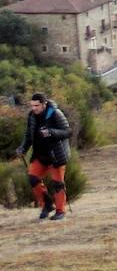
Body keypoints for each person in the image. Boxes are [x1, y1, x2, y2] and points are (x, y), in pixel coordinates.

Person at [17, 92, 71, 221]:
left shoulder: (56, 113)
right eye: (32, 105)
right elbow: (29, 135)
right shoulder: (31, 116)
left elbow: (68, 132)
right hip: (39, 155)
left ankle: (60, 211)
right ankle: (47, 205)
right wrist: (23, 148)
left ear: (44, 104)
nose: (34, 108)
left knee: (58, 183)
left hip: (56, 155)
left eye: (37, 105)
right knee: (32, 178)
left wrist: (51, 132)